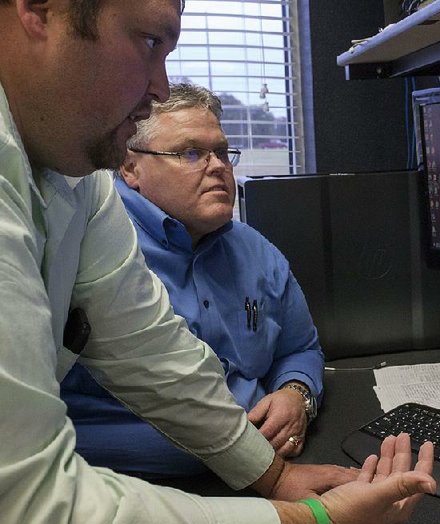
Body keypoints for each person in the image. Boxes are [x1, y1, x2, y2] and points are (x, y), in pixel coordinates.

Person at [0, 1, 435, 524]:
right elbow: (31, 504)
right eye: (150, 42)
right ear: (39, 10)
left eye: (222, 153)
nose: (160, 87)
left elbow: (153, 353)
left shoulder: (80, 181)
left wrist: (273, 477)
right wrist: (309, 523)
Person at [61, 83, 323, 477]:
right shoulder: (92, 246)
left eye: (221, 152)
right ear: (131, 167)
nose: (217, 166)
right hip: (143, 489)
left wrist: (296, 393)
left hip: (272, 464)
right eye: (191, 153)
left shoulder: (254, 250)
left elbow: (301, 347)